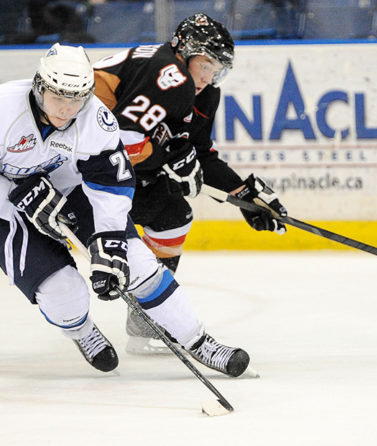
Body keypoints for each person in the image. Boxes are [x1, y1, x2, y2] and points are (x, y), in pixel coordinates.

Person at [0, 43, 250, 378]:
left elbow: (109, 186)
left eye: (77, 99)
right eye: (58, 96)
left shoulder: (95, 119)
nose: (66, 109)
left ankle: (199, 340)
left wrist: (109, 241)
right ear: (40, 86)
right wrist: (16, 197)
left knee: (138, 263)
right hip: (4, 201)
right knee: (55, 288)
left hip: (68, 189)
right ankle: (81, 329)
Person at [92, 13, 288, 352]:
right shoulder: (168, 73)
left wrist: (243, 194)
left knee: (172, 216)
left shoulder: (201, 92)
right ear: (186, 51)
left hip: (110, 167)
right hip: (74, 164)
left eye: (217, 70)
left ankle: (145, 322)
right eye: (206, 65)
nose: (209, 77)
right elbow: (120, 141)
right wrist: (168, 158)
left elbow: (198, 154)